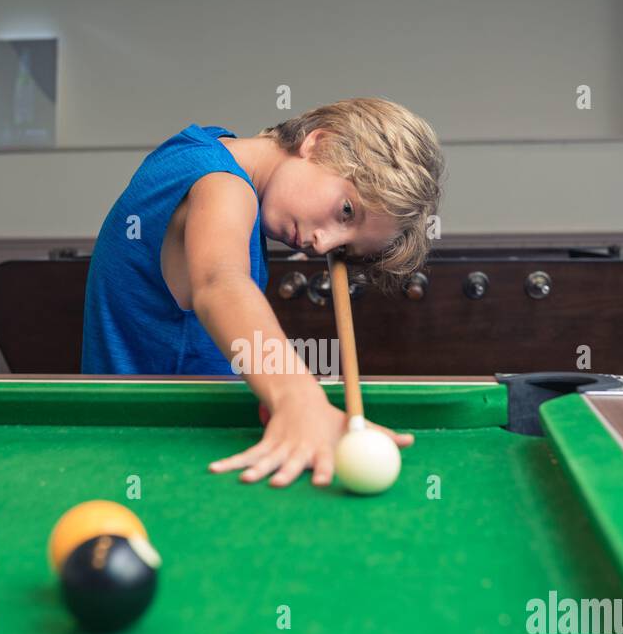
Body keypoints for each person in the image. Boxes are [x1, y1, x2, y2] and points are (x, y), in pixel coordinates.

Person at [82, 97, 444, 488]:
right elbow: (220, 282)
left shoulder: (205, 145)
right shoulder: (223, 186)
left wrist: (271, 394)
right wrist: (297, 398)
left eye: (344, 248)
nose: (323, 245)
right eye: (345, 212)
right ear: (318, 143)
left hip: (154, 441)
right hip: (162, 454)